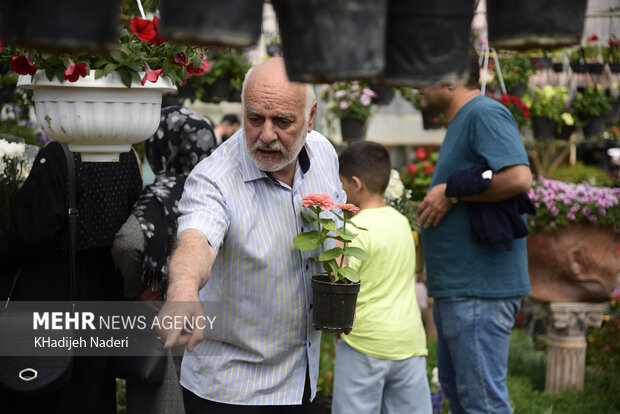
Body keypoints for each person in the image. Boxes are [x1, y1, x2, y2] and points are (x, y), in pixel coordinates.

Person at [158, 57, 345, 412]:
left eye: (283, 121)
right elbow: (197, 239)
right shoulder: (214, 178)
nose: (267, 135)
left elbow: (335, 220)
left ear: (310, 117)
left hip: (301, 380)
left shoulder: (322, 153)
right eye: (255, 118)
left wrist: (337, 270)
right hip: (230, 391)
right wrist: (182, 289)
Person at [416, 47, 533, 414]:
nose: (416, 86)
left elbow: (518, 177)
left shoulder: (484, 112)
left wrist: (451, 191)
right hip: (463, 289)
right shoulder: (464, 120)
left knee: (482, 402)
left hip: (479, 290)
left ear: (450, 80)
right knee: (463, 395)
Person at [0, 141, 142, 413]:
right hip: (102, 287)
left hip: (53, 287)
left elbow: (33, 231)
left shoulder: (60, 153)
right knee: (91, 388)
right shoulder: (125, 153)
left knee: (44, 385)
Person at [113, 105, 217, 414]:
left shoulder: (160, 194)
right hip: (213, 320)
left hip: (165, 320)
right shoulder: (221, 191)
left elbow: (128, 242)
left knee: (164, 402)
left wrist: (142, 288)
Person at [333, 141, 432, 414]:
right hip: (409, 341)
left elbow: (338, 287)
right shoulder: (402, 222)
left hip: (364, 341)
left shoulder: (352, 230)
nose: (339, 191)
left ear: (356, 183)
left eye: (341, 183)